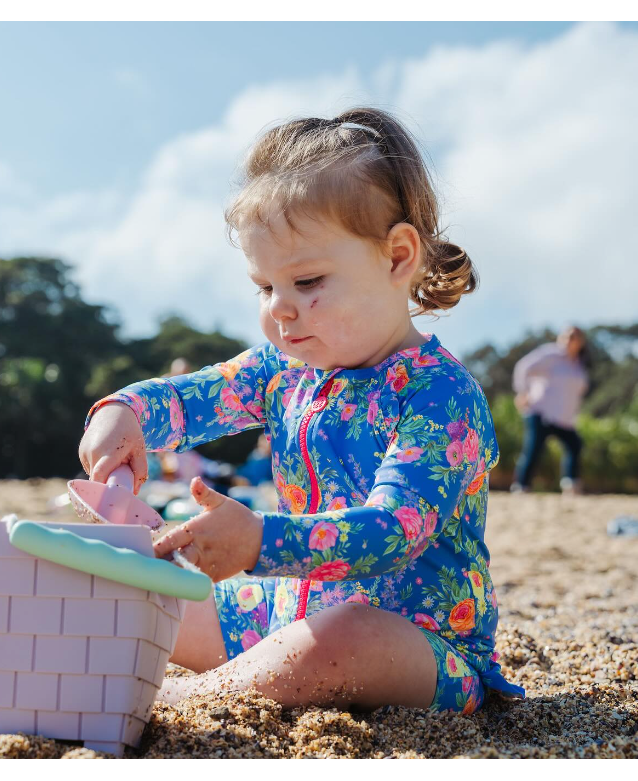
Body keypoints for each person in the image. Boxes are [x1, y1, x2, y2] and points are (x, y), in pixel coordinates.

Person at [79, 107, 525, 714]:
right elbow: (190, 397)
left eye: (308, 280)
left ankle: (179, 697)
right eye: (264, 287)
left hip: (419, 647)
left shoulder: (440, 396)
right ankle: (66, 669)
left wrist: (258, 540)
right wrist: (125, 411)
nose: (280, 310)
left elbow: (394, 531)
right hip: (283, 617)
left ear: (397, 258)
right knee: (141, 588)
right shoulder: (282, 369)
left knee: (344, 637)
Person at [511, 326, 589, 495]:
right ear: (560, 338)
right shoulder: (550, 355)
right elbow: (524, 367)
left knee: (574, 445)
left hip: (564, 417)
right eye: (567, 335)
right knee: (533, 449)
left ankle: (570, 483)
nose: (570, 339)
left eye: (574, 336)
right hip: (541, 411)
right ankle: (521, 486)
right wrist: (522, 392)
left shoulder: (578, 364)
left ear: (581, 341)